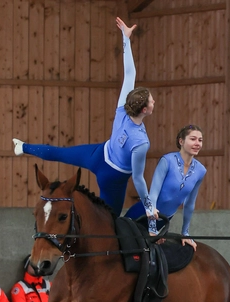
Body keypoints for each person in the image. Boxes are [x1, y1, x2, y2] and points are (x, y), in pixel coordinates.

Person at [12, 17, 156, 218]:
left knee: (61, 153)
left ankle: (22, 147)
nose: (153, 102)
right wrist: (149, 206)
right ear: (144, 110)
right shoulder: (141, 142)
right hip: (113, 177)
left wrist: (126, 39)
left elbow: (130, 74)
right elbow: (139, 179)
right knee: (109, 221)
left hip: (97, 154)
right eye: (151, 101)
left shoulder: (123, 108)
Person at [125, 125, 207, 251]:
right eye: (193, 139)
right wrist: (152, 229)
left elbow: (190, 204)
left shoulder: (201, 170)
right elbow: (153, 194)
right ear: (181, 141)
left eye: (200, 140)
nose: (197, 143)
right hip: (142, 213)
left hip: (163, 220)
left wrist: (185, 233)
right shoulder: (167, 161)